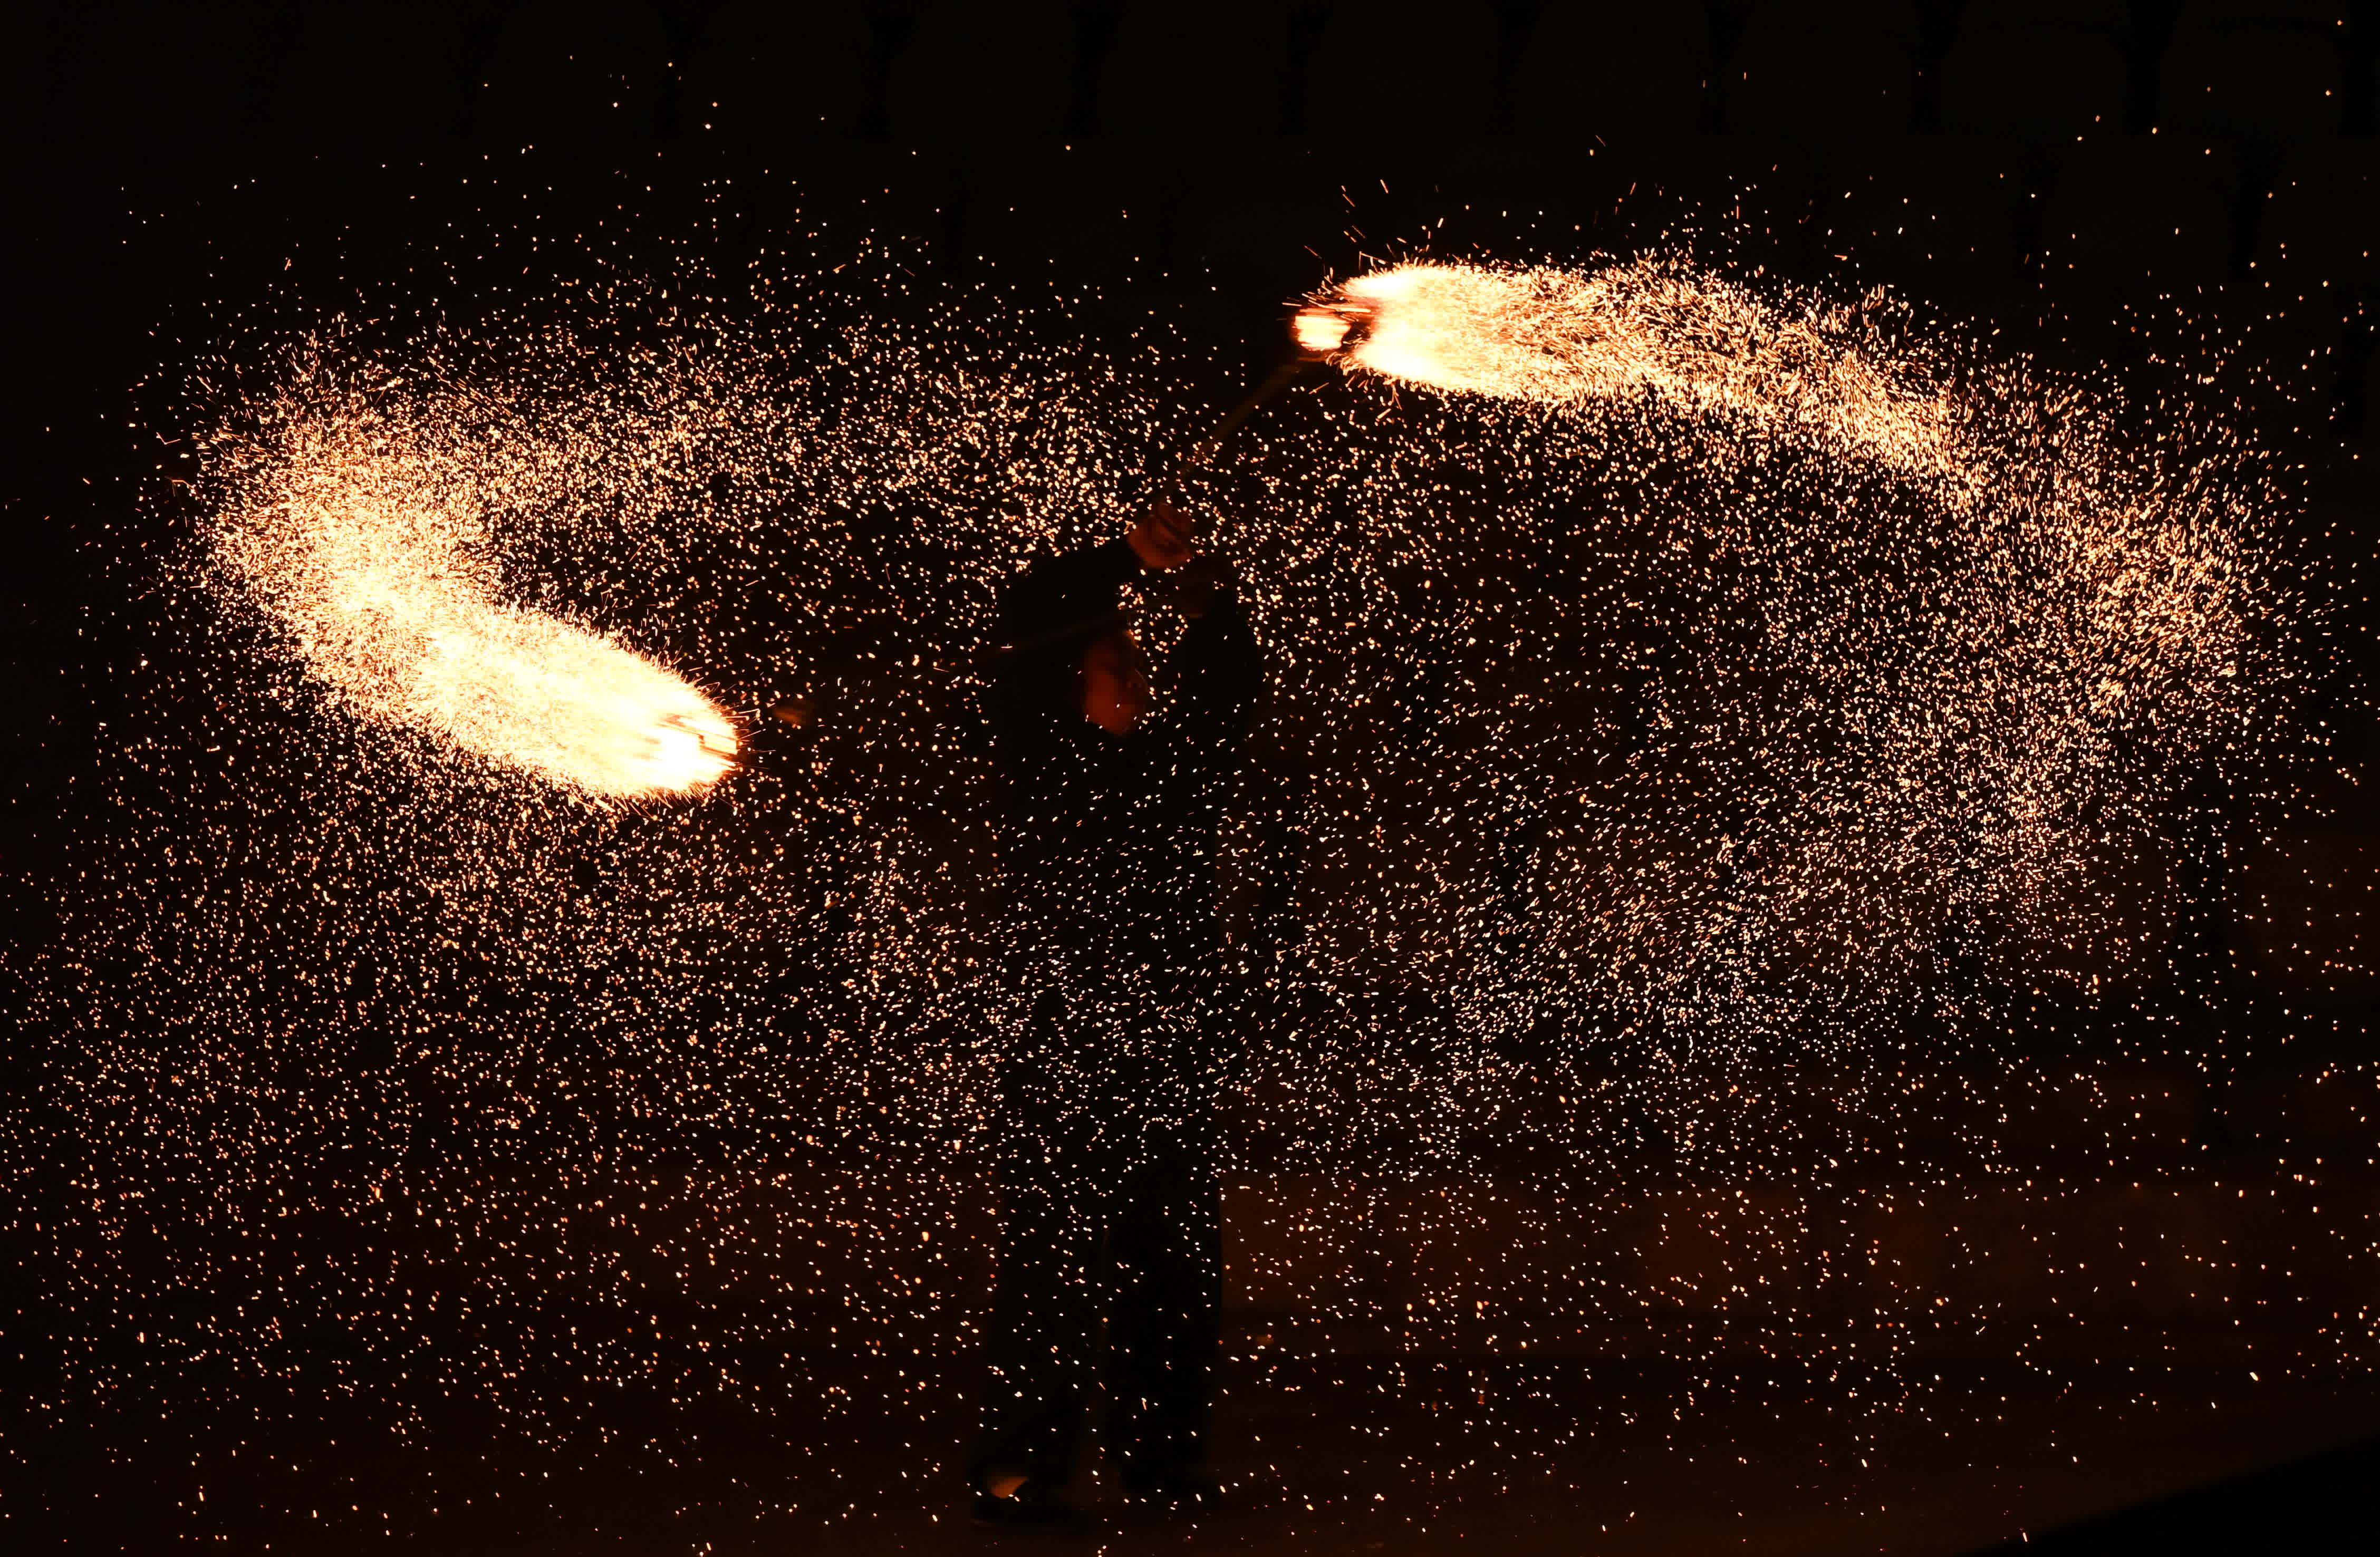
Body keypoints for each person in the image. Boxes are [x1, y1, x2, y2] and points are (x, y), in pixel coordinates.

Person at [968, 499, 1261, 1528]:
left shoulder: (1169, 774)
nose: (1138, 678)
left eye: (1142, 665)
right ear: (1067, 682)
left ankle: (1161, 1461)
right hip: (1061, 1060)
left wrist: (1201, 593)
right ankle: (1014, 1469)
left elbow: (1231, 701)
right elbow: (1023, 626)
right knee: (1051, 1275)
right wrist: (1114, 561)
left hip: (1164, 1066)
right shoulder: (1040, 766)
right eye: (1115, 665)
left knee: (1174, 1279)